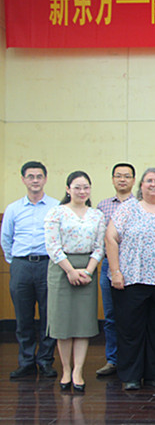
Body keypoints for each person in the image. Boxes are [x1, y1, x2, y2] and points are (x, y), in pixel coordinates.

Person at [105, 168, 155, 391]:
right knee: (130, 330)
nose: (153, 184)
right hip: (131, 280)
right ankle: (130, 375)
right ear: (141, 185)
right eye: (149, 180)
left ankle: (154, 374)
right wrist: (116, 271)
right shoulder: (128, 208)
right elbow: (111, 238)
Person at [44, 171, 106, 392]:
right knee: (63, 323)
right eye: (77, 187)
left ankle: (78, 370)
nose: (82, 191)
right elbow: (52, 245)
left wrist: (88, 271)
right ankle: (66, 369)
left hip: (88, 268)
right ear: (68, 189)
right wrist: (70, 271)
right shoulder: (56, 212)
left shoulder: (97, 215)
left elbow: (100, 246)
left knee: (82, 323)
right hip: (62, 268)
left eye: (86, 187)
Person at [1, 161, 59, 379]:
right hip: (21, 265)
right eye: (31, 176)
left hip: (48, 264)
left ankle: (45, 360)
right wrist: (15, 261)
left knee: (48, 315)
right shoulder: (13, 208)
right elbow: (6, 238)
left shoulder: (56, 206)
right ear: (23, 179)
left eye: (39, 176)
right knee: (23, 316)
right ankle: (26, 361)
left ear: (45, 179)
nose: (35, 180)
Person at [95, 162, 136, 377]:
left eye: (127, 176)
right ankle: (112, 359)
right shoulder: (102, 206)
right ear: (112, 179)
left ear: (134, 180)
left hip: (134, 268)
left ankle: (132, 360)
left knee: (133, 317)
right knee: (111, 316)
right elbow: (98, 238)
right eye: (118, 176)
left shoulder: (140, 205)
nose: (122, 179)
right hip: (107, 267)